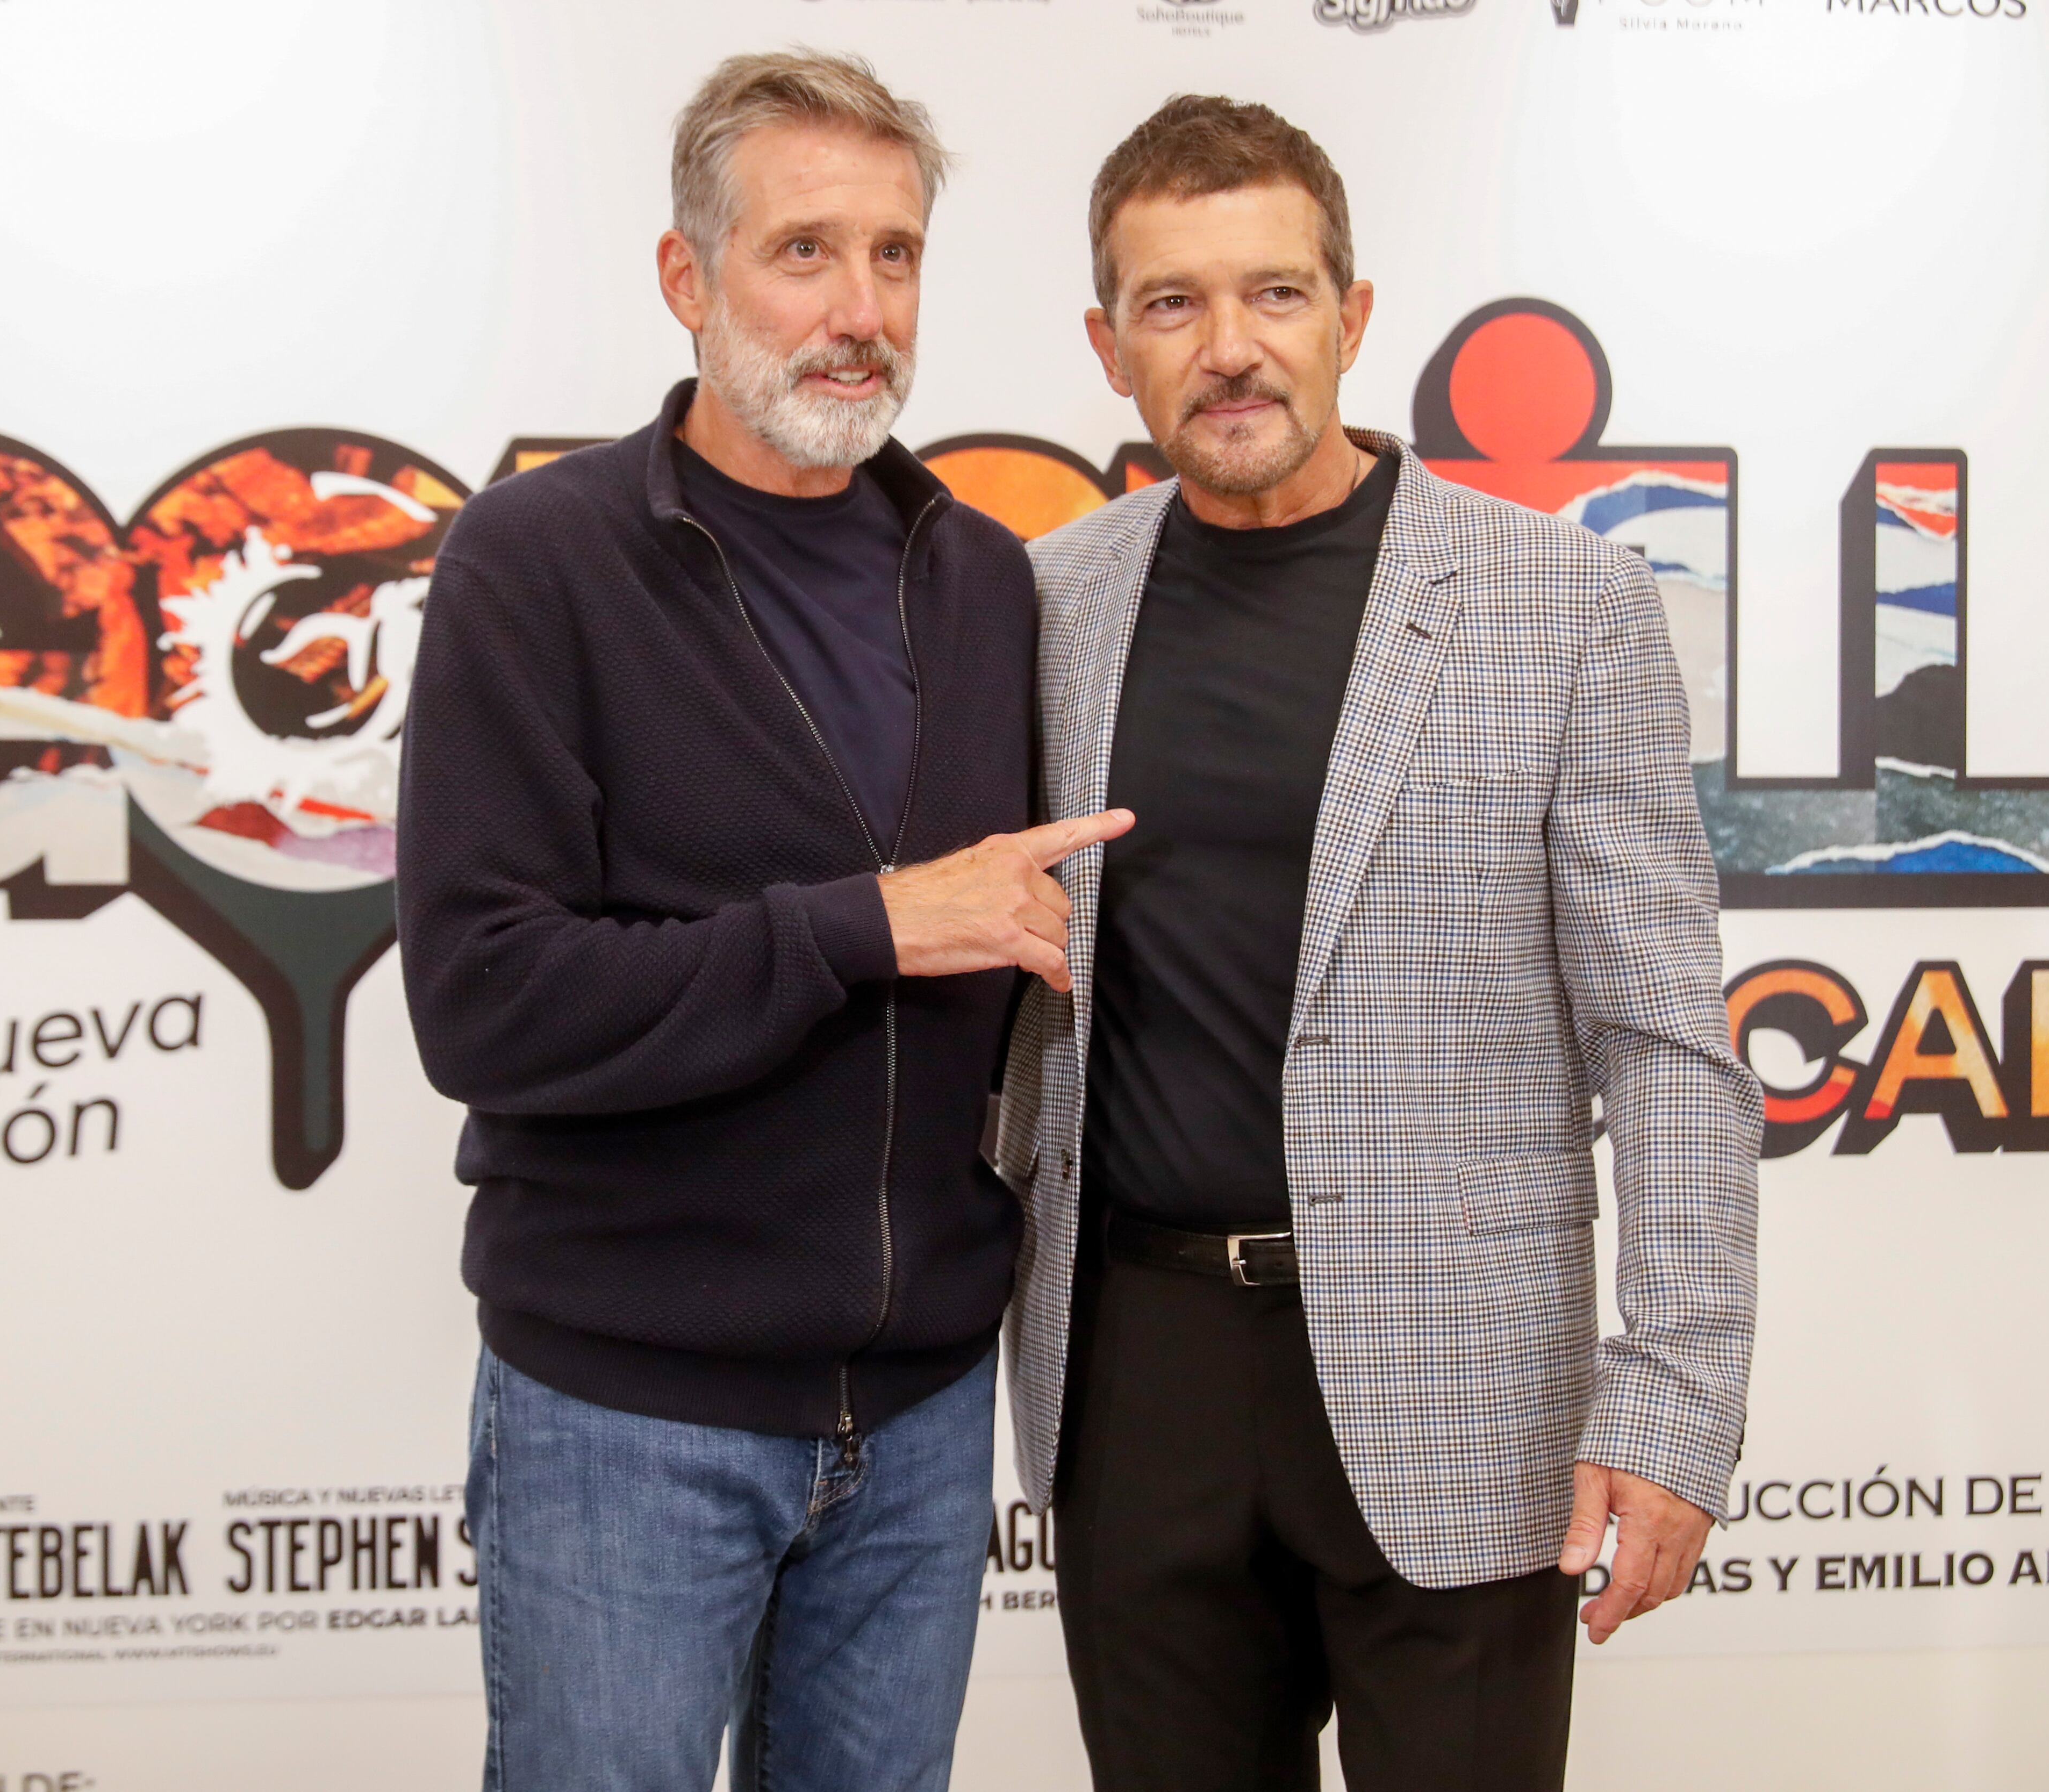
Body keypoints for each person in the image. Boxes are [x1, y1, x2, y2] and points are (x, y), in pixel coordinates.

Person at [993, 96, 1765, 1791]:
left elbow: (1667, 1041)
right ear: (1109, 347)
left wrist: (1674, 1406)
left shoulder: (1566, 606)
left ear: (1353, 314)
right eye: (1172, 304)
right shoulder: (1042, 607)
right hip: (1140, 1381)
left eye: (1275, 293)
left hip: (1466, 1382)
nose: (1231, 348)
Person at [395, 49, 1129, 1792]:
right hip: (626, 1419)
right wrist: (864, 926)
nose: (858, 309)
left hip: (928, 1413)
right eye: (805, 252)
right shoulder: (537, 562)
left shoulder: (977, 577)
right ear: (687, 277)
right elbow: (484, 1003)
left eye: (895, 257)